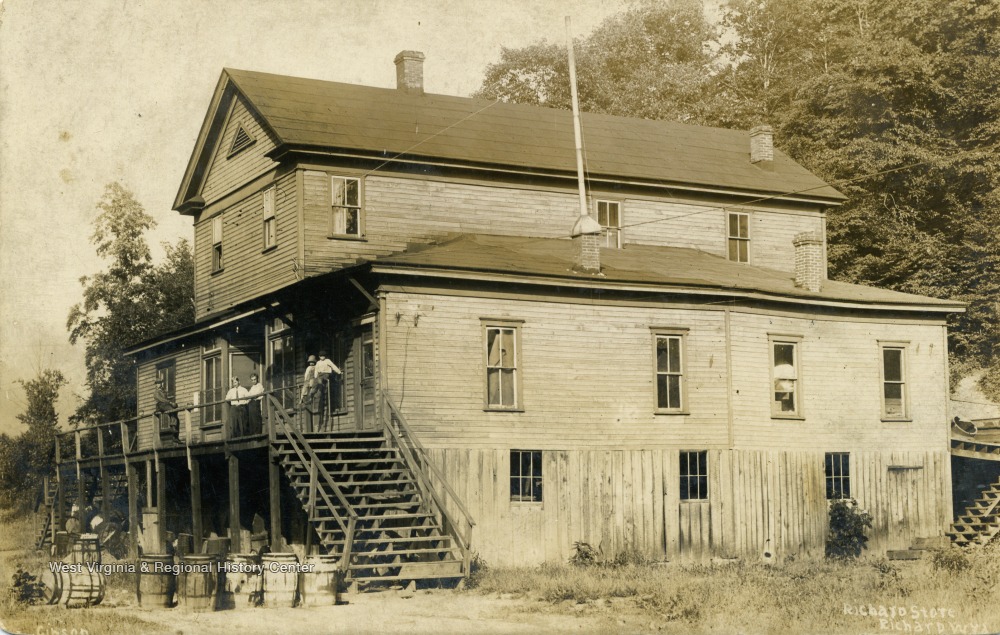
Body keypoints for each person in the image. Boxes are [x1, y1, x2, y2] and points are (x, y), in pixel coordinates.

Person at [153, 378, 180, 444]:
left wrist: (172, 402)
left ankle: (175, 436)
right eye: (157, 383)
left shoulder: (163, 391)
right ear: (156, 385)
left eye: (159, 383)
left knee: (175, 413)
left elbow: (166, 398)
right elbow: (161, 399)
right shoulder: (156, 392)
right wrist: (170, 402)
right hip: (161, 405)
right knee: (172, 410)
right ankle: (173, 427)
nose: (158, 384)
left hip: (165, 404)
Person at [298, 355, 319, 431]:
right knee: (304, 389)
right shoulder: (308, 368)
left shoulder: (316, 368)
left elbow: (316, 375)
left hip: (312, 381)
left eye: (313, 362)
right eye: (310, 362)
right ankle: (301, 398)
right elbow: (306, 375)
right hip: (307, 380)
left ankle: (308, 396)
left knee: (311, 387)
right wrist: (306, 379)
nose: (311, 363)